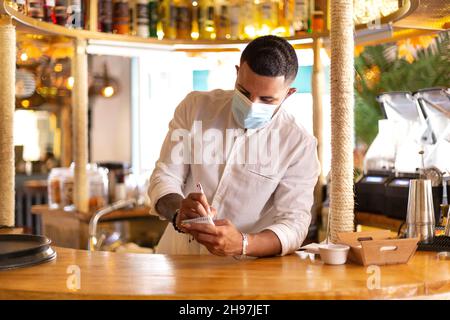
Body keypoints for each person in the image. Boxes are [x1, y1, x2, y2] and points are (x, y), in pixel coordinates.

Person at [148, 35, 320, 258]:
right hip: (177, 259)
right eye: (244, 92)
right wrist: (178, 211)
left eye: (266, 100)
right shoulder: (195, 108)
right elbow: (164, 177)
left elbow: (294, 224)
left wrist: (243, 243)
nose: (251, 106)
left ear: (289, 93)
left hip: (243, 272)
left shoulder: (298, 144)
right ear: (237, 72)